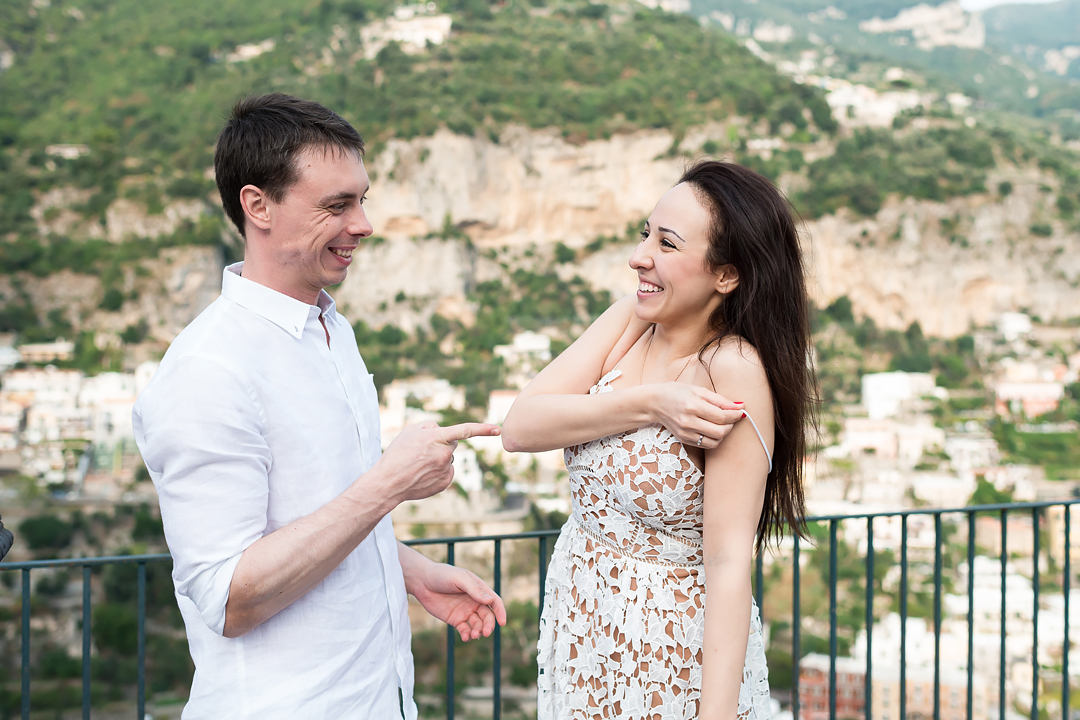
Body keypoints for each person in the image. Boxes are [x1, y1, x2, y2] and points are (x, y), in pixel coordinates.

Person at [133, 93, 506, 720]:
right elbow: (229, 598)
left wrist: (406, 568)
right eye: (336, 205)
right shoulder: (208, 370)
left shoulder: (332, 330)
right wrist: (390, 483)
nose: (362, 223)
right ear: (258, 206)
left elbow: (310, 514)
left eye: (362, 199)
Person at [501, 160, 816, 720]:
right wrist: (650, 403)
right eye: (645, 233)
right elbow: (521, 426)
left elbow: (726, 564)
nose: (640, 255)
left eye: (667, 244)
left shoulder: (731, 368)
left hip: (668, 659)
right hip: (584, 637)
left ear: (727, 275)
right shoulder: (630, 322)